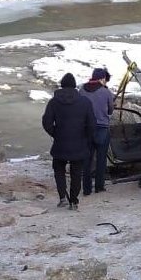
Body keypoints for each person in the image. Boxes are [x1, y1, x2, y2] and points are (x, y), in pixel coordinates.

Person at [42, 73, 96, 210]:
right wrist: (85, 137)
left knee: (58, 169)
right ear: (74, 86)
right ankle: (74, 201)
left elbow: (46, 122)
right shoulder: (85, 102)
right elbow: (92, 124)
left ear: (61, 85)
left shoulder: (54, 102)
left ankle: (62, 197)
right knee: (76, 173)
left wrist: (55, 133)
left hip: (60, 142)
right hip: (79, 143)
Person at [80, 68, 114, 195]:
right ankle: (99, 186)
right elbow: (111, 110)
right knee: (101, 159)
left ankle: (86, 188)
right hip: (102, 128)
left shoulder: (82, 90)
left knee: (87, 159)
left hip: (86, 129)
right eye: (104, 79)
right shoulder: (106, 92)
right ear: (101, 79)